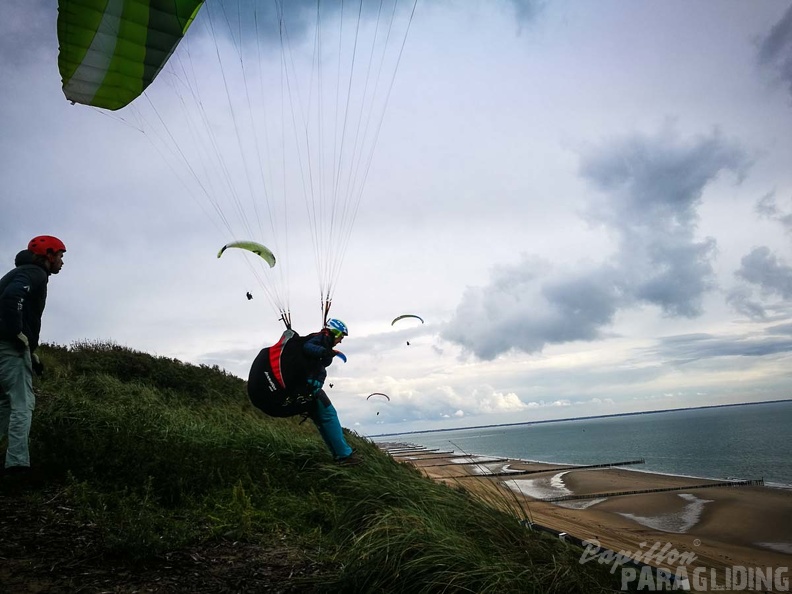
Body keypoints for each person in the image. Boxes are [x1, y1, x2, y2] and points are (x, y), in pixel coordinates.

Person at [247, 318, 359, 465]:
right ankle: (344, 456)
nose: (340, 341)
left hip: (264, 394)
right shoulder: (312, 348)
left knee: (320, 411)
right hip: (275, 399)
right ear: (334, 333)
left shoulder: (307, 341)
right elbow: (309, 353)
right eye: (340, 337)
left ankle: (342, 454)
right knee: (327, 411)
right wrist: (326, 353)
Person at [0, 235, 66, 474]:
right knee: (22, 404)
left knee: (5, 404)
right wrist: (16, 333)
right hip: (8, 345)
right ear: (48, 255)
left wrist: (31, 354)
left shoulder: (20, 272)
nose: (61, 261)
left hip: (7, 346)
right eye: (59, 255)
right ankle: (17, 466)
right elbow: (12, 298)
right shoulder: (35, 273)